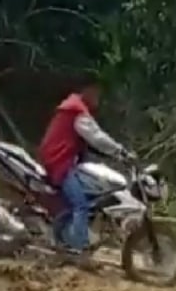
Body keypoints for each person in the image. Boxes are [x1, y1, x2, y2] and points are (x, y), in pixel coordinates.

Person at [38, 76, 131, 254]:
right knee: (80, 205)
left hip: (61, 162)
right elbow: (97, 137)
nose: (98, 98)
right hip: (59, 164)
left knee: (85, 196)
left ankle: (67, 237)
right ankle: (78, 248)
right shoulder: (77, 112)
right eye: (96, 93)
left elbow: (91, 143)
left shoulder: (73, 108)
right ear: (87, 90)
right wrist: (120, 151)